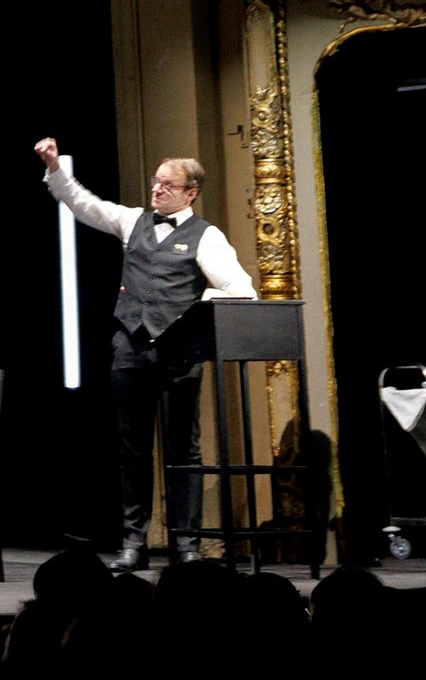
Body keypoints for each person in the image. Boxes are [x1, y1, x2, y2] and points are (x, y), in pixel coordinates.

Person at [34, 137, 255, 571]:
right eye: (156, 182)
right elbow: (85, 204)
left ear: (190, 192)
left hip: (179, 355)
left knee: (183, 451)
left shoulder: (206, 236)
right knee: (133, 451)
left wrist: (197, 303)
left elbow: (242, 291)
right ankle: (134, 543)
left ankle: (186, 543)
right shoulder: (133, 221)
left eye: (167, 185)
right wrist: (55, 168)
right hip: (131, 350)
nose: (156, 190)